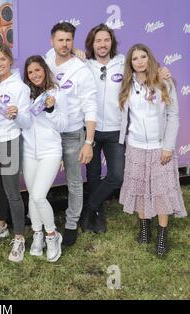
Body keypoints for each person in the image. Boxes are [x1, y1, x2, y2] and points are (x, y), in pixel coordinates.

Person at [118, 44, 187, 256]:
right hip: (136, 146)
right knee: (139, 187)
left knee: (161, 191)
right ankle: (144, 227)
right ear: (130, 63)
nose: (139, 61)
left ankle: (162, 234)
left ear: (150, 59)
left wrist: (167, 146)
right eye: (135, 58)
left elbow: (173, 116)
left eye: (143, 57)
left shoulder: (164, 81)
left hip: (159, 147)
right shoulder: (127, 85)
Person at [45, 22, 98, 246]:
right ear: (52, 41)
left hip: (73, 134)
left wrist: (88, 141)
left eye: (68, 40)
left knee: (74, 183)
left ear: (73, 41)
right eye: (60, 40)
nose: (64, 44)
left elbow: (91, 107)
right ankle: (41, 222)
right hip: (48, 133)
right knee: (42, 181)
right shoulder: (46, 60)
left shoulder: (82, 69)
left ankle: (71, 223)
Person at [0, 44, 30, 263]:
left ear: (10, 60)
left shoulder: (20, 87)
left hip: (11, 141)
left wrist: (16, 115)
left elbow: (26, 122)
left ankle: (19, 237)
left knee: (12, 191)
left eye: (2, 59)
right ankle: (2, 225)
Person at [79, 24, 126, 234]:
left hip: (116, 130)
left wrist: (162, 70)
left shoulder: (123, 62)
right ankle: (97, 215)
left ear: (111, 42)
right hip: (92, 130)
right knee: (94, 175)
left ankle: (88, 210)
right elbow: (54, 56)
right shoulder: (83, 64)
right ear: (92, 43)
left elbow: (147, 70)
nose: (102, 44)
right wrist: (73, 51)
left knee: (117, 175)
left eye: (106, 40)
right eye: (98, 40)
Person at [22, 55, 68, 262]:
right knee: (32, 196)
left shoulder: (56, 93)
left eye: (37, 70)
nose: (34, 75)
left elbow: (63, 125)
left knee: (39, 196)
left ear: (45, 70)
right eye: (30, 72)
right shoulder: (25, 94)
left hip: (50, 151)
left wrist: (51, 109)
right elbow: (23, 122)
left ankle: (52, 235)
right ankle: (37, 234)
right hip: (29, 151)